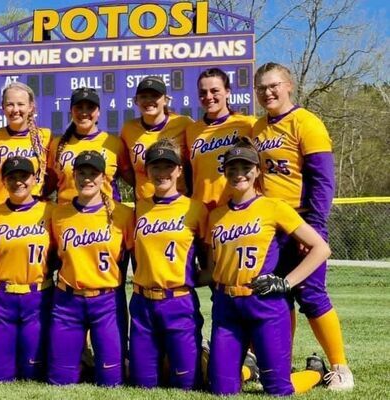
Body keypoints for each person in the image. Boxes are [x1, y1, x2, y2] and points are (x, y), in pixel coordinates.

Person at [252, 62, 354, 390]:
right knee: (276, 295)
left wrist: (312, 226)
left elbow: (322, 181)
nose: (268, 92)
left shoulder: (306, 122)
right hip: (272, 226)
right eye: (261, 88)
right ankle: (282, 364)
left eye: (274, 85)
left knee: (310, 294)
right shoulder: (257, 129)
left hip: (302, 221)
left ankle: (340, 367)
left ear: (289, 86)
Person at [205, 137, 332, 396]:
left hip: (265, 304)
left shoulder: (273, 207)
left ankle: (316, 372)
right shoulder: (216, 215)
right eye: (232, 168)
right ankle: (249, 368)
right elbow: (211, 267)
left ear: (257, 171)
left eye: (246, 168)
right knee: (221, 390)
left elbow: (321, 248)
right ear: (224, 172)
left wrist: (286, 282)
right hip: (227, 307)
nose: (239, 174)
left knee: (277, 389)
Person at [47, 151, 133, 386]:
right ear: (73, 176)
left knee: (111, 380)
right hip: (67, 301)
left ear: (104, 177)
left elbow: (131, 257)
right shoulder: (58, 214)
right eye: (81, 173)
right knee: (60, 380)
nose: (87, 178)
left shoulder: (122, 214)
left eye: (93, 173)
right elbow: (53, 257)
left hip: (107, 301)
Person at [129, 138, 207, 390]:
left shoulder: (195, 209)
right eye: (156, 166)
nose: (162, 172)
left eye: (168, 166)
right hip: (142, 303)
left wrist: (190, 279)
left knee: (187, 384)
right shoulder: (138, 209)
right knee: (142, 384)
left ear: (179, 170)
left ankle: (221, 361)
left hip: (179, 302)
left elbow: (211, 261)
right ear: (147, 170)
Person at [0, 156, 55, 382]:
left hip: (38, 295)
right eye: (11, 177)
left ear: (35, 179)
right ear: (3, 181)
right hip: (0, 296)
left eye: (24, 176)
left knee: (33, 372)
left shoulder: (49, 211)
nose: (18, 182)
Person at [186, 68, 256, 210]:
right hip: (202, 209)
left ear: (227, 92)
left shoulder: (248, 124)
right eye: (203, 92)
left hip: (239, 207)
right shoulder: (191, 130)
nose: (208, 96)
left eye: (215, 91)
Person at [47, 87, 131, 204]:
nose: (84, 112)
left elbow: (135, 180)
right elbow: (48, 186)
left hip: (106, 212)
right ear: (71, 111)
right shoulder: (57, 145)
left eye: (90, 107)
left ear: (98, 112)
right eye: (79, 107)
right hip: (67, 213)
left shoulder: (114, 143)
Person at [120, 76, 193, 201]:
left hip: (179, 202)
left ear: (165, 100)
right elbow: (125, 169)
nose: (149, 100)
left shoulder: (184, 124)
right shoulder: (128, 129)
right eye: (143, 96)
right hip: (145, 205)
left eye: (155, 95)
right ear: (136, 101)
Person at [0, 82, 52, 207]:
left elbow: (52, 177)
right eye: (10, 104)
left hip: (35, 212)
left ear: (30, 107)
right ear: (3, 107)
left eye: (20, 104)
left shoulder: (45, 137)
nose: (15, 110)